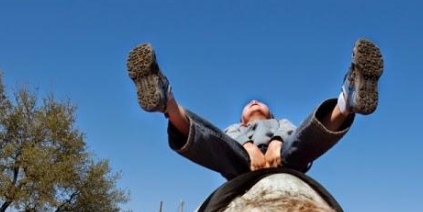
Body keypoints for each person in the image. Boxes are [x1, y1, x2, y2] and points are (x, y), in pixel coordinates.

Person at [126, 38, 383, 180]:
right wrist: (248, 149)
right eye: (249, 105)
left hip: (285, 160)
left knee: (300, 145)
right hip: (240, 163)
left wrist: (276, 145)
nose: (254, 102)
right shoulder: (235, 129)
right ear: (242, 119)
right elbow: (222, 140)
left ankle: (348, 99)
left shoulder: (280, 124)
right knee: (216, 144)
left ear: (271, 114)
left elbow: (295, 133)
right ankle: (165, 99)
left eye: (260, 104)